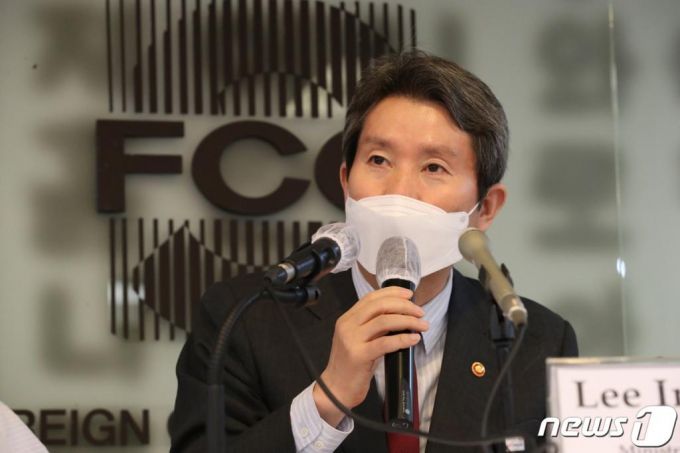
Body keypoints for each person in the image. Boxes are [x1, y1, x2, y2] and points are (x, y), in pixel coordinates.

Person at [169, 51, 578, 453]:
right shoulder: (244, 319)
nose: (399, 191)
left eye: (434, 167)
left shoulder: (537, 341)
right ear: (346, 181)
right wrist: (325, 401)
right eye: (379, 160)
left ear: (485, 208)